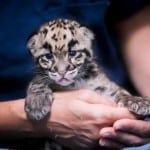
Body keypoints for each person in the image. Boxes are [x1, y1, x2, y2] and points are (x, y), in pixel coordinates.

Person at [0, 0, 150, 150]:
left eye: (72, 53)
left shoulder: (94, 74)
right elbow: (36, 109)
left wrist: (132, 102)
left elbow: (136, 26)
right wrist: (36, 120)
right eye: (48, 57)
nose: (62, 69)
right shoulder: (41, 83)